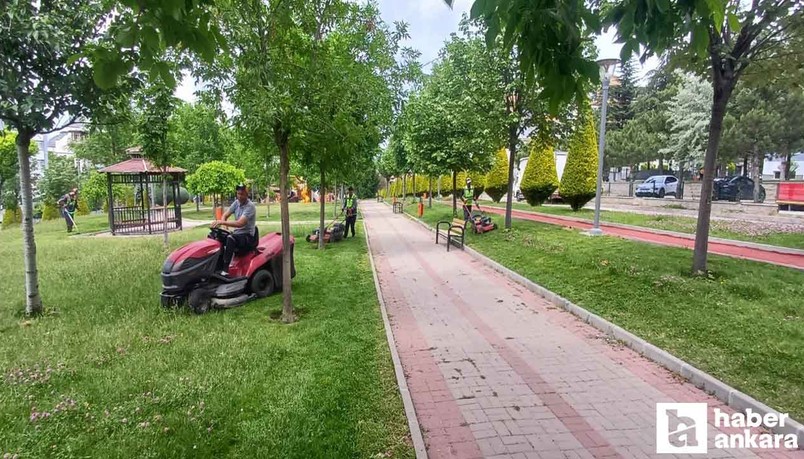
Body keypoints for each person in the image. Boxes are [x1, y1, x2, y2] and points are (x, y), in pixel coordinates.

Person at [210, 184, 257, 277]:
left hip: (247, 236)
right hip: (237, 234)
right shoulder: (236, 203)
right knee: (214, 235)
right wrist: (224, 226)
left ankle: (225, 270)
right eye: (238, 194)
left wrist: (222, 222)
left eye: (242, 194)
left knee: (230, 239)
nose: (239, 196)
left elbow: (240, 223)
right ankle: (215, 265)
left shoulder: (250, 206)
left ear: (247, 194)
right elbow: (225, 215)